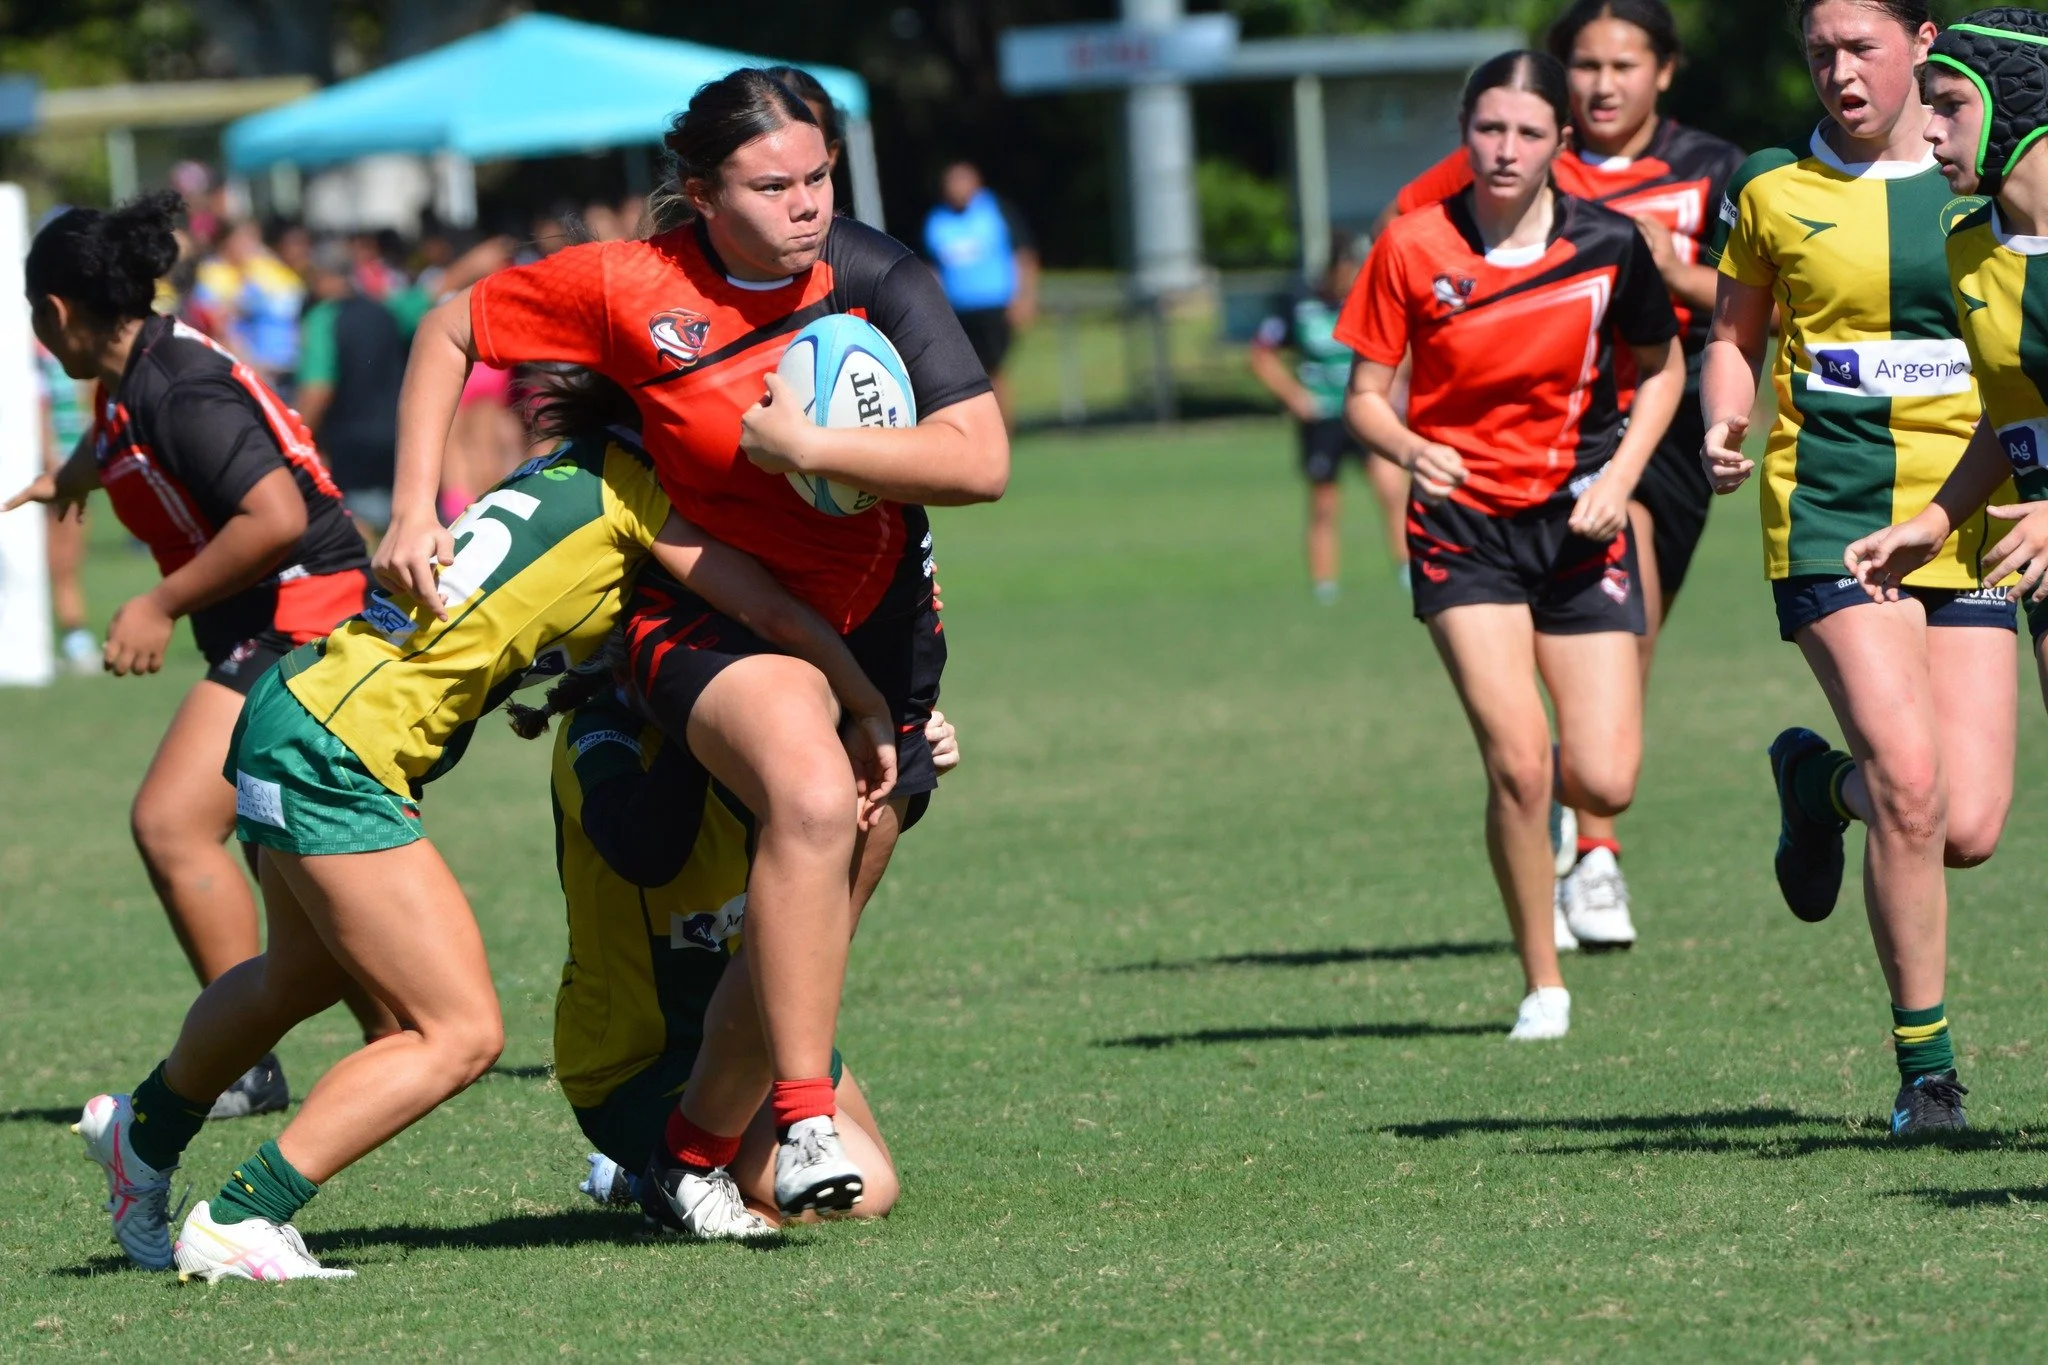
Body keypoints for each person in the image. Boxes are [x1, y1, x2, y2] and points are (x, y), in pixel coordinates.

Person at [374, 69, 1007, 1224]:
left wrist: (813, 446)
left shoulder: (876, 277)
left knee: (799, 941)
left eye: (817, 177)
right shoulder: (634, 286)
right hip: (708, 617)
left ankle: (681, 1155)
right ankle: (804, 1115)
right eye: (772, 186)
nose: (806, 204)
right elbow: (450, 326)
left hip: (885, 640)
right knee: (813, 800)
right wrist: (416, 505)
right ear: (703, 194)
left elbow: (980, 461)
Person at [70, 421, 900, 1277]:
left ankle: (143, 1133)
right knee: (458, 1033)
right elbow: (757, 608)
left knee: (301, 974)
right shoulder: (637, 497)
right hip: (337, 746)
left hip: (296, 699)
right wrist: (874, 703)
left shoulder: (563, 471)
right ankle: (244, 1215)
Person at [5, 194, 390, 1120]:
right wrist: (70, 477)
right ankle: (412, 1030)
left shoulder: (175, 383)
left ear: (55, 311)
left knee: (175, 823)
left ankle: (252, 1062)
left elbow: (277, 515)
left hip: (307, 616)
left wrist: (156, 600)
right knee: (294, 860)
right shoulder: (140, 372)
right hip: (284, 616)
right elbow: (131, 441)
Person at [1702, 0, 2013, 1137]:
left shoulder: (1982, 175)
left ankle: (1812, 788)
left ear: (1923, 41)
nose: (1838, 71)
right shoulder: (1771, 186)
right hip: (1830, 514)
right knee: (1912, 784)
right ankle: (1924, 1072)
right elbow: (1732, 336)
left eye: (1860, 47)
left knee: (1966, 824)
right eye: (1818, 51)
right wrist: (1720, 423)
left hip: (1972, 514)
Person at [1379, 0, 1746, 950]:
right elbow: (1414, 228)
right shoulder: (1525, 137)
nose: (1603, 81)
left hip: (1673, 417)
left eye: (1624, 64)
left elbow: (1761, 302)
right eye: (1584, 63)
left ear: (1663, 71)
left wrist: (1677, 273)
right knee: (1640, 602)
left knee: (1634, 648)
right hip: (1574, 428)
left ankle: (1576, 794)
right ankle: (1596, 856)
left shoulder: (1711, 168)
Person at [1339, 50, 1684, 1041]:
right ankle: (1542, 982)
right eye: (1488, 129)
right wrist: (1411, 448)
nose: (1504, 149)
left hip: (1579, 524)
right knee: (1519, 763)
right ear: (1464, 132)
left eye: (1527, 133)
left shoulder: (1607, 244)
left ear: (1558, 146)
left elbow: (1658, 373)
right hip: (1462, 532)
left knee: (1604, 778)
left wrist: (1620, 480)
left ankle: (1583, 848)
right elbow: (1362, 399)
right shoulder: (1410, 245)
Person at [513, 677, 961, 1227]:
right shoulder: (599, 731)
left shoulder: (765, 730)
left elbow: (832, 839)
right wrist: (700, 720)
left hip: (752, 1030)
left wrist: (902, 756)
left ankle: (639, 1174)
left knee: (859, 1186)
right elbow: (646, 852)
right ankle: (662, 1173)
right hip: (639, 1060)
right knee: (866, 1195)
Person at [1250, 235, 1411, 602]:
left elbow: (1406, 344)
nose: (1350, 278)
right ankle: (1325, 585)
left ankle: (1406, 570)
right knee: (1324, 503)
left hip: (1367, 412)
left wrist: (1396, 384)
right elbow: (1260, 353)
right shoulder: (1301, 304)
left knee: (1391, 488)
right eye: (1346, 271)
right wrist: (1293, 395)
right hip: (1322, 417)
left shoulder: (1373, 299)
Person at [294, 238, 407, 537]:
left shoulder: (322, 318)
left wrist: (294, 438)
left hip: (351, 441)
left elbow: (317, 389)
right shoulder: (385, 311)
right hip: (399, 433)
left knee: (356, 529)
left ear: (320, 275)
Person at [923, 160, 1039, 424]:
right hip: (957, 310)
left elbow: (1024, 255)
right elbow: (932, 267)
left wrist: (1025, 296)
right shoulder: (937, 221)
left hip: (995, 307)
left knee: (993, 371)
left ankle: (1003, 431)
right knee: (965, 375)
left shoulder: (997, 211)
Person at [35, 337, 97, 671]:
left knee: (69, 556)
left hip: (75, 464)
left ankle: (73, 636)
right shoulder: (32, 356)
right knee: (58, 559)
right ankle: (73, 635)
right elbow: (37, 409)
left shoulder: (70, 349)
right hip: (55, 469)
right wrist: (52, 463)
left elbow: (85, 403)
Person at [192, 220, 305, 393]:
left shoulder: (265, 267)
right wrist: (254, 370)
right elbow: (219, 328)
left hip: (287, 369)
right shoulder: (212, 274)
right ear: (226, 241)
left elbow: (293, 306)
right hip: (253, 374)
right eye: (244, 238)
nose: (251, 245)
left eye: (254, 238)